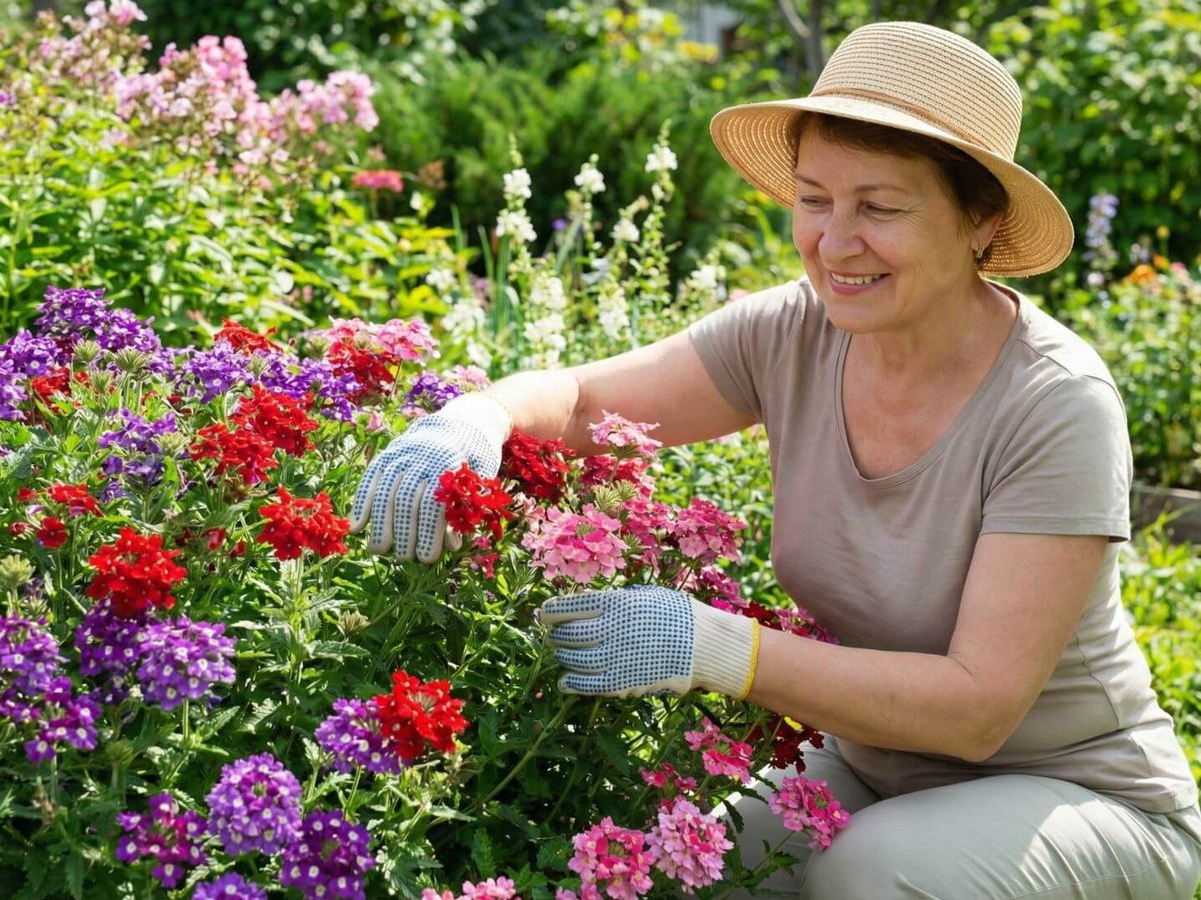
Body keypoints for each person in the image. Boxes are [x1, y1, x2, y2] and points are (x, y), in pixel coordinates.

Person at [349, 21, 1201, 899]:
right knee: (684, 872)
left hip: (1083, 799)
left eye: (881, 207)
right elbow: (586, 400)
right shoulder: (792, 331)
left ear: (980, 221)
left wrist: (720, 648)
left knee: (871, 875)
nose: (834, 243)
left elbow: (978, 709)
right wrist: (471, 419)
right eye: (814, 199)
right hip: (875, 768)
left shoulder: (1055, 404)